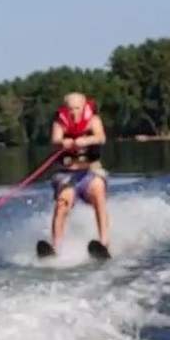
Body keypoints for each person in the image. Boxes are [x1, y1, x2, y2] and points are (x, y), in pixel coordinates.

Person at [43, 92, 110, 256]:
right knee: (62, 204)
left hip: (90, 172)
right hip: (67, 175)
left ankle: (104, 243)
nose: (74, 112)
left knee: (99, 192)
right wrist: (62, 142)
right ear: (65, 109)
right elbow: (55, 140)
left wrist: (86, 140)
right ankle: (56, 248)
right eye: (70, 109)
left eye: (77, 108)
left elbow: (101, 137)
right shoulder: (60, 124)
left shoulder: (93, 120)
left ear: (84, 106)